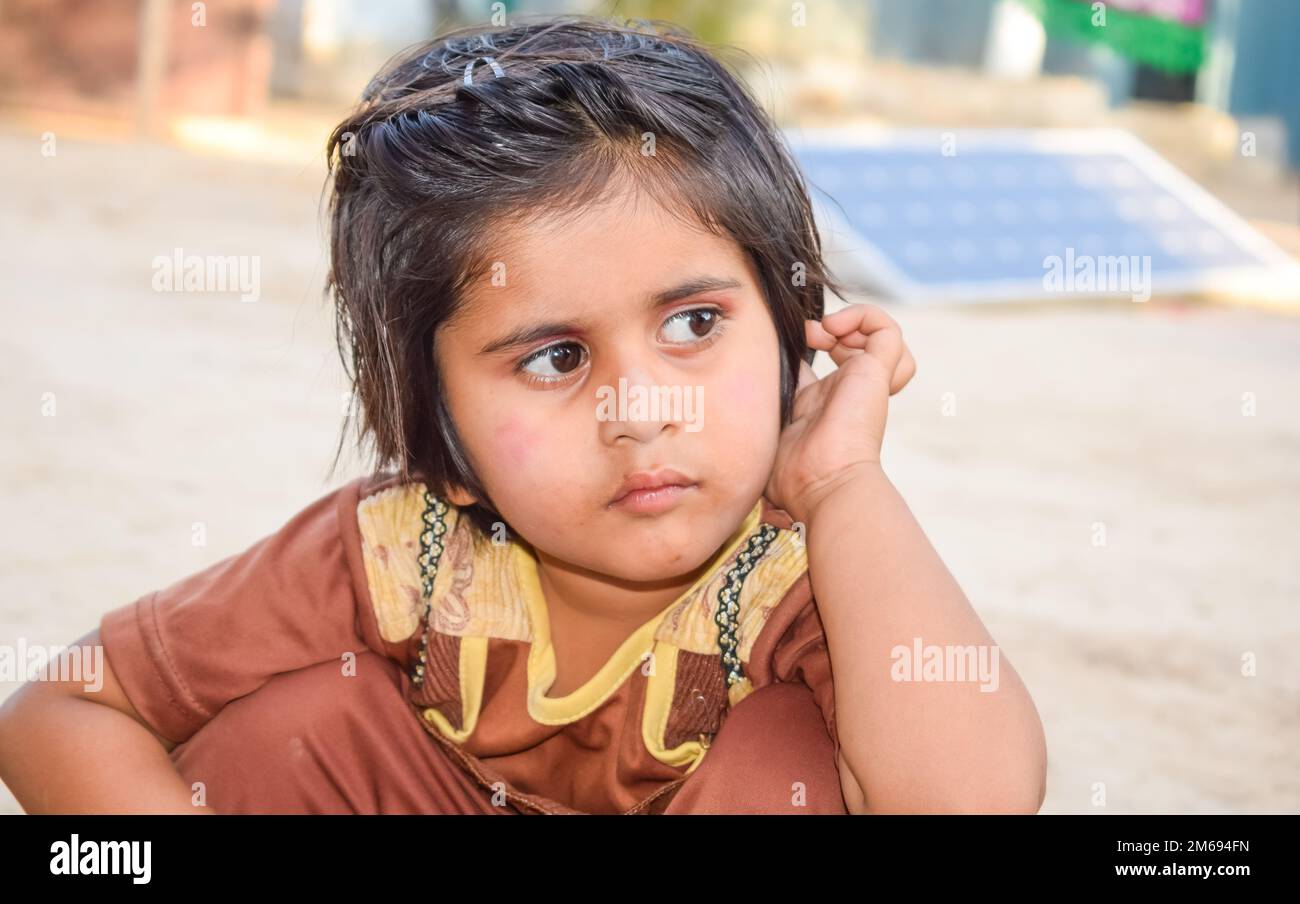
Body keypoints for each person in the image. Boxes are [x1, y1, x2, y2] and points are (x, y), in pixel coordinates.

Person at [0, 15, 1046, 815]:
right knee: (298, 724)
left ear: (790, 330)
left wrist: (843, 484)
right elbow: (58, 713)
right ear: (441, 437)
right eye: (554, 356)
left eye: (692, 324)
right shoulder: (402, 551)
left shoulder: (798, 574)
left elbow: (966, 803)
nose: (640, 409)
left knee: (793, 759)